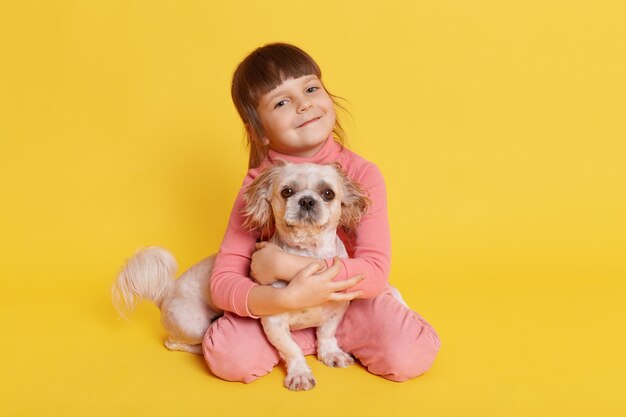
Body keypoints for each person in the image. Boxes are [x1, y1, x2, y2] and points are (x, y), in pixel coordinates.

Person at [202, 43, 440, 383]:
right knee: (229, 358)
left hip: (346, 302)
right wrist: (283, 297)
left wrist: (283, 266)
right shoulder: (257, 184)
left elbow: (373, 273)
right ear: (258, 132)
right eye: (282, 102)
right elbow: (222, 284)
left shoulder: (363, 174)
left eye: (311, 88)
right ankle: (301, 345)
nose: (304, 104)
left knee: (409, 354)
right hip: (277, 310)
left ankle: (329, 337)